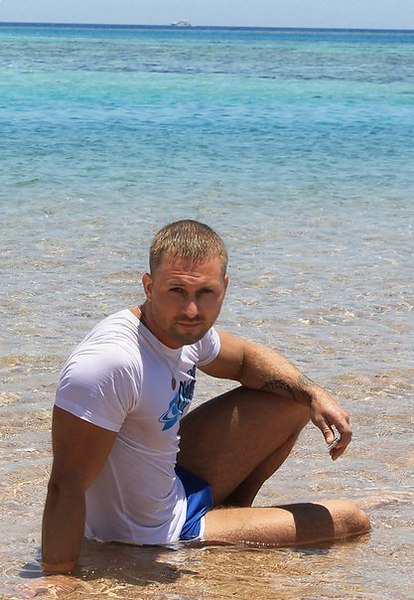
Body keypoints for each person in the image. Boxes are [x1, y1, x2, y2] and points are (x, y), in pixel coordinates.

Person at [41, 219, 370, 576]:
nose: (191, 310)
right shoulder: (112, 362)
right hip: (149, 532)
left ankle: (235, 514)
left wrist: (314, 393)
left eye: (205, 293)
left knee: (292, 398)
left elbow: (243, 359)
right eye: (176, 291)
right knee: (353, 520)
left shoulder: (185, 331)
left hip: (173, 485)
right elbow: (65, 484)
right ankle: (224, 530)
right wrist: (59, 578)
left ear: (224, 288)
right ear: (149, 286)